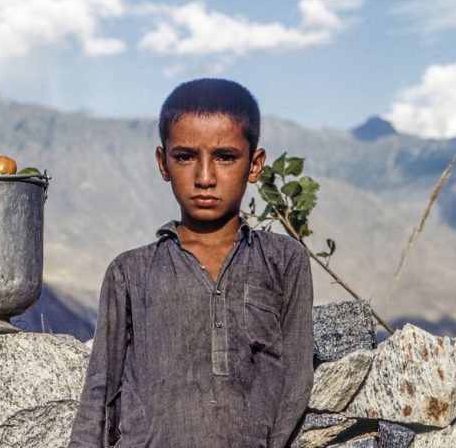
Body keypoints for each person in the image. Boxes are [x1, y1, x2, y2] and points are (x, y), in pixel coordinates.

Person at [68, 78, 314, 448]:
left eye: (225, 157)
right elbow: (99, 394)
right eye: (185, 157)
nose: (204, 177)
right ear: (163, 162)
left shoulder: (283, 260)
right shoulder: (130, 272)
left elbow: (295, 380)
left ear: (255, 164)